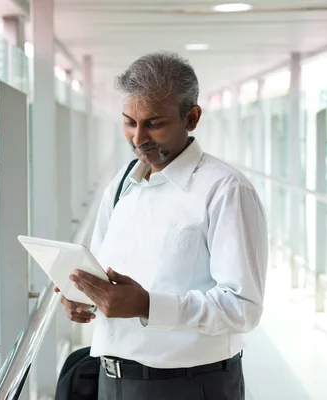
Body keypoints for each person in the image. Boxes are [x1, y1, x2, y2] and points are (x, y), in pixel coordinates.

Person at [55, 52, 268, 399]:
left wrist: (147, 305)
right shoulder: (123, 182)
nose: (138, 138)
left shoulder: (225, 190)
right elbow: (101, 268)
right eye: (129, 122)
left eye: (154, 123)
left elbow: (243, 307)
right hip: (112, 380)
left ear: (192, 117)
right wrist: (83, 296)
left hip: (188, 385)